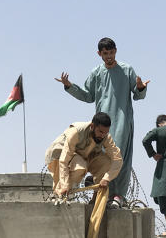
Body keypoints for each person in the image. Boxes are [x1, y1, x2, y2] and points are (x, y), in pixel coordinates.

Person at [56, 37, 148, 207]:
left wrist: (141, 87)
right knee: (100, 157)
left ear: (116, 51)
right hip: (100, 124)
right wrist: (69, 86)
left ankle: (118, 195)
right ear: (99, 54)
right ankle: (101, 192)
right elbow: (88, 95)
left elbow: (137, 94)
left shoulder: (127, 70)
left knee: (118, 156)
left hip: (121, 121)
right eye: (105, 53)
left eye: (111, 52)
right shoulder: (97, 73)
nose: (109, 56)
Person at [45, 113, 123, 199]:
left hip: (86, 155)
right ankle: (60, 194)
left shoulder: (105, 137)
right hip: (62, 153)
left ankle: (96, 198)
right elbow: (64, 160)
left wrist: (106, 178)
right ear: (92, 126)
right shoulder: (76, 132)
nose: (103, 135)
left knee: (106, 163)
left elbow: (117, 159)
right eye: (100, 132)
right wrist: (64, 184)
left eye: (106, 133)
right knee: (80, 167)